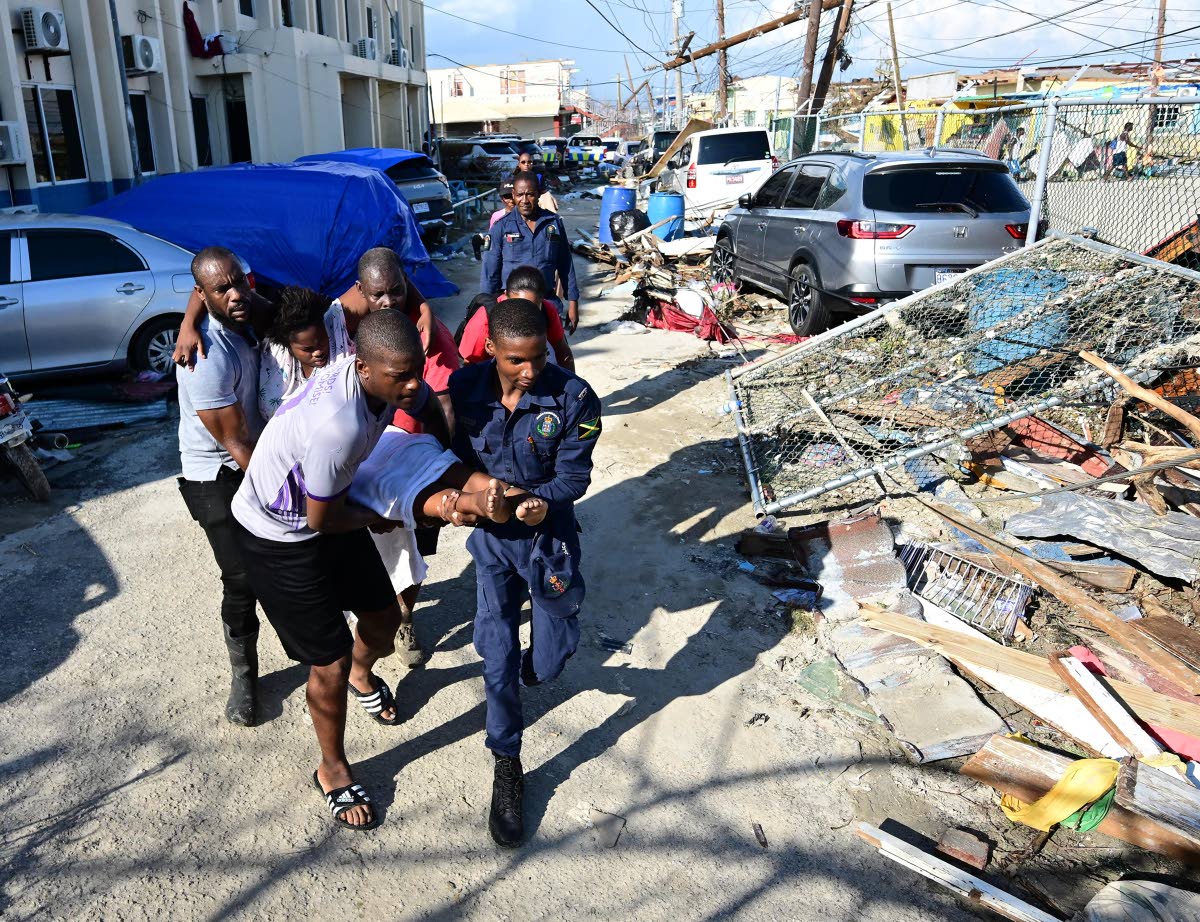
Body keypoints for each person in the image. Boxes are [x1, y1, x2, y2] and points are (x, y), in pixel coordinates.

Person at [230, 311, 446, 831]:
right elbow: (320, 519)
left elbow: (426, 404)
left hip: (327, 509)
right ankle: (332, 768)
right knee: (325, 661)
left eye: (416, 369)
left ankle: (361, 671)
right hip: (280, 536)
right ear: (364, 367)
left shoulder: (377, 375)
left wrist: (433, 423)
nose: (413, 383)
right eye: (400, 376)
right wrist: (384, 513)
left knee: (381, 618)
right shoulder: (339, 426)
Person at [449, 297, 602, 848]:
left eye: (538, 357)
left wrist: (535, 501)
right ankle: (507, 761)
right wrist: (476, 494)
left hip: (549, 540)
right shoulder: (465, 390)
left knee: (550, 656)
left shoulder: (574, 397)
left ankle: (542, 662)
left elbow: (573, 478)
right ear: (491, 348)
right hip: (492, 542)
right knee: (499, 655)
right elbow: (449, 458)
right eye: (517, 360)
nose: (530, 370)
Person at [175, 246, 266, 727]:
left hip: (251, 453)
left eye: (238, 281)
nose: (234, 294)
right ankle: (244, 674)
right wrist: (282, 489)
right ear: (204, 295)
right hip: (216, 472)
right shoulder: (204, 356)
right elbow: (233, 441)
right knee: (241, 576)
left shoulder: (247, 310)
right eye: (220, 289)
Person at [481, 172, 580, 334]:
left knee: (555, 355)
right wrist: (487, 312)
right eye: (520, 195)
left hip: (547, 305)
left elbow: (565, 264)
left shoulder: (553, 223)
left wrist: (573, 303)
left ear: (539, 194)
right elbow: (489, 274)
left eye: (530, 195)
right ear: (513, 195)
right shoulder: (500, 227)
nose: (525, 200)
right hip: (512, 309)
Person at [258, 286, 351, 419]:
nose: (318, 352)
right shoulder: (274, 356)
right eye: (308, 349)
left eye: (322, 340)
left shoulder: (335, 330)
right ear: (288, 345)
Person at [459, 265, 574, 370]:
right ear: (506, 295)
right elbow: (470, 368)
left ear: (542, 300)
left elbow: (563, 352)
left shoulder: (548, 311)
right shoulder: (484, 321)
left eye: (531, 309)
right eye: (516, 306)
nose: (523, 315)